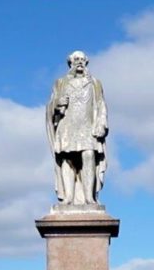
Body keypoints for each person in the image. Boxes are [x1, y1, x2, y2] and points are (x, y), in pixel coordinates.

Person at [45, 50, 108, 206]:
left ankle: (89, 197)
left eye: (82, 59)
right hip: (67, 125)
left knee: (88, 156)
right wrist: (57, 104)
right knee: (67, 159)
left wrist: (101, 123)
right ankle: (68, 197)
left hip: (87, 126)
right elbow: (50, 107)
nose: (79, 62)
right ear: (70, 63)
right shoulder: (60, 83)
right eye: (76, 59)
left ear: (86, 62)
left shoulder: (94, 83)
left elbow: (101, 105)